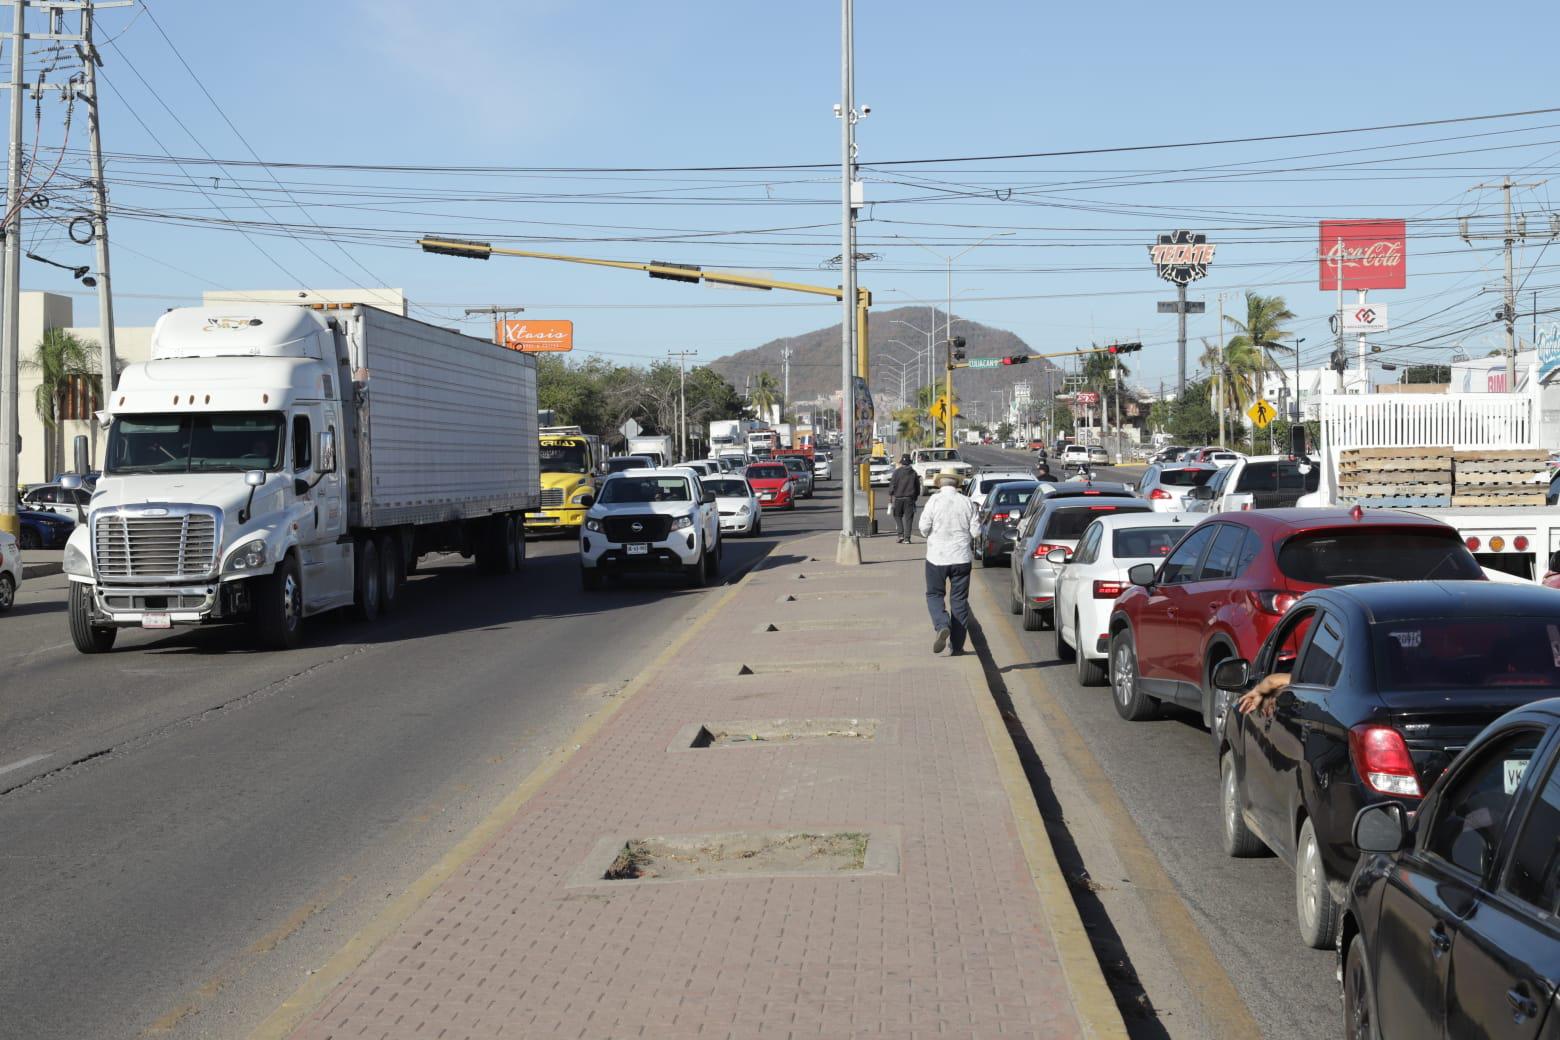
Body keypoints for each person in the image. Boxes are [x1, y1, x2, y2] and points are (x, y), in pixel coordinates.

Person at [919, 467, 980, 655]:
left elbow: (923, 528)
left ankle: (941, 625)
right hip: (961, 558)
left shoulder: (934, 501)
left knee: (934, 595)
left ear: (940, 483)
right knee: (959, 601)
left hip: (936, 557)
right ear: (957, 483)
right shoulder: (967, 502)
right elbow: (976, 532)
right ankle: (957, 646)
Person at [888, 454, 921, 543]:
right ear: (909, 463)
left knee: (897, 516)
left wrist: (890, 496)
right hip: (910, 499)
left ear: (902, 463)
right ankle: (907, 538)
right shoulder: (913, 473)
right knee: (909, 519)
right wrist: (915, 498)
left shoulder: (896, 472)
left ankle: (900, 535)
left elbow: (892, 485)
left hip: (898, 498)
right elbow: (917, 488)